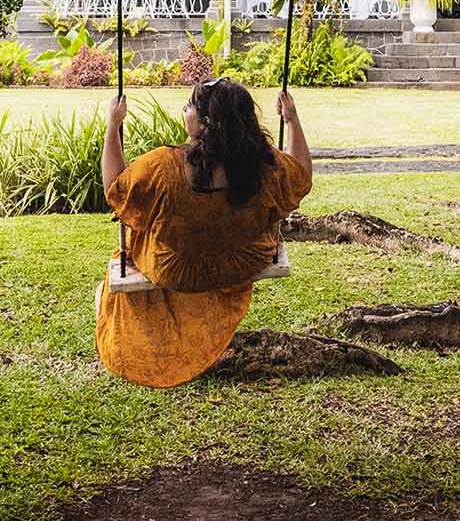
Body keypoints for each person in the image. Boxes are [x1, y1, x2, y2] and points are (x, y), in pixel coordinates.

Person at [95, 79, 312, 388]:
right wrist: (291, 121)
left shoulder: (163, 167)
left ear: (205, 122)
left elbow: (115, 189)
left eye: (190, 107)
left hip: (178, 271)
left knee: (138, 234)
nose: (185, 111)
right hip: (240, 263)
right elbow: (301, 177)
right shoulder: (266, 166)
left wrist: (113, 124)